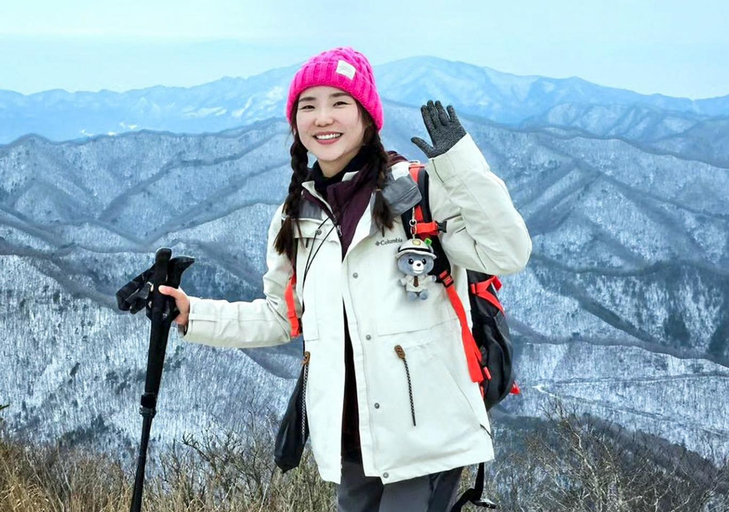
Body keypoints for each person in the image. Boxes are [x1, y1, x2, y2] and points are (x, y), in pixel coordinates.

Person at [158, 46, 532, 512]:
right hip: (351, 438)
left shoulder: (420, 193)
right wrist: (194, 314)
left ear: (366, 116)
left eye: (339, 102)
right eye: (308, 106)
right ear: (295, 123)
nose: (323, 117)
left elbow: (508, 252)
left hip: (428, 436)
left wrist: (460, 166)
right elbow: (281, 317)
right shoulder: (295, 217)